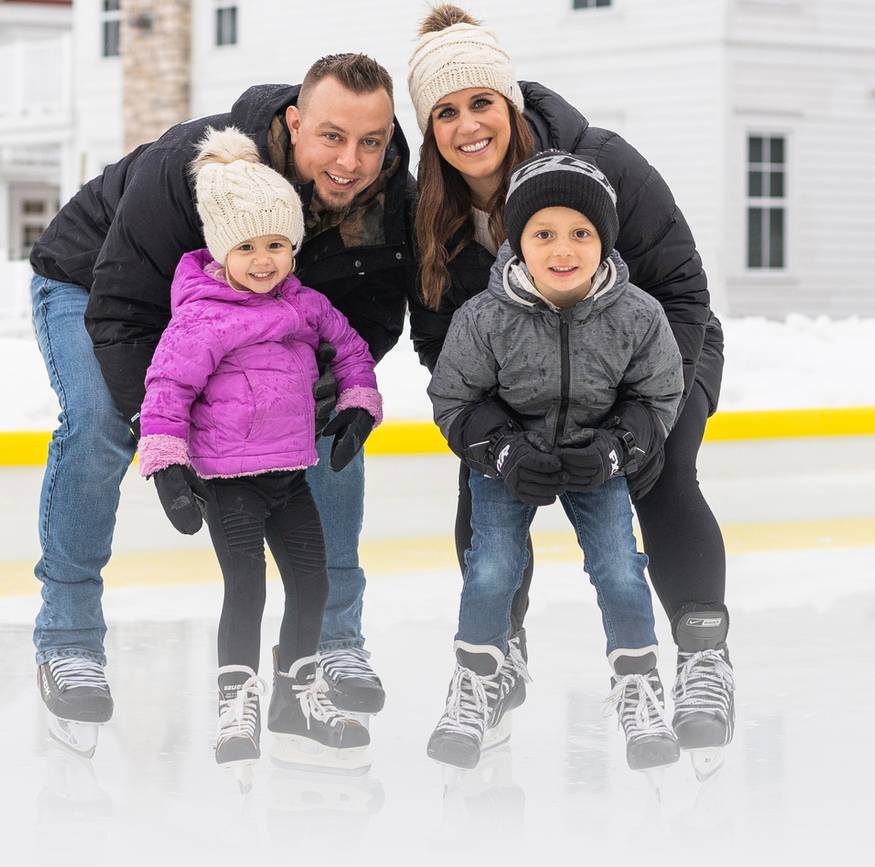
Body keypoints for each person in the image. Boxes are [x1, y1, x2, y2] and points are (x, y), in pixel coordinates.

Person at [26, 54, 416, 742]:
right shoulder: (190, 167)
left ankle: (332, 642)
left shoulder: (386, 195)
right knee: (100, 426)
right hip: (98, 287)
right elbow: (121, 308)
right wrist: (165, 429)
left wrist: (335, 384)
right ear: (294, 123)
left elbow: (375, 308)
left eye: (371, 141)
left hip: (258, 310)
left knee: (323, 424)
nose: (351, 161)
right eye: (332, 136)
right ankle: (69, 640)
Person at [405, 5, 735, 773]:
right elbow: (439, 342)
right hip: (517, 375)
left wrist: (637, 425)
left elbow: (683, 288)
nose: (467, 126)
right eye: (445, 112)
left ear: (510, 102)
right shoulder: (431, 208)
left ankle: (703, 660)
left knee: (661, 474)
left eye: (481, 101)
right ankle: (498, 659)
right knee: (485, 482)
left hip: (654, 355)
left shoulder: (599, 162)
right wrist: (490, 433)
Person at [425, 151, 684, 773]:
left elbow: (660, 394)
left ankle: (637, 685)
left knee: (621, 569)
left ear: (604, 240)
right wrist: (501, 447)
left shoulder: (638, 316)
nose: (562, 250)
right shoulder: (485, 318)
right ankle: (475, 681)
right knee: (492, 568)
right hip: (510, 460)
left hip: (597, 460)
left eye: (581, 234)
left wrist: (619, 446)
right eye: (544, 234)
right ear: (518, 242)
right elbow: (454, 397)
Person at [137, 128, 383, 772]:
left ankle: (297, 698)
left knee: (314, 582)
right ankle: (236, 700)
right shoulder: (202, 317)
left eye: (277, 244)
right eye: (247, 247)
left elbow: (352, 349)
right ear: (221, 252)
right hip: (227, 482)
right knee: (246, 587)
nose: (265, 260)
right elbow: (166, 389)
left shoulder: (305, 305)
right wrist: (167, 467)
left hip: (289, 475)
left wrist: (358, 403)